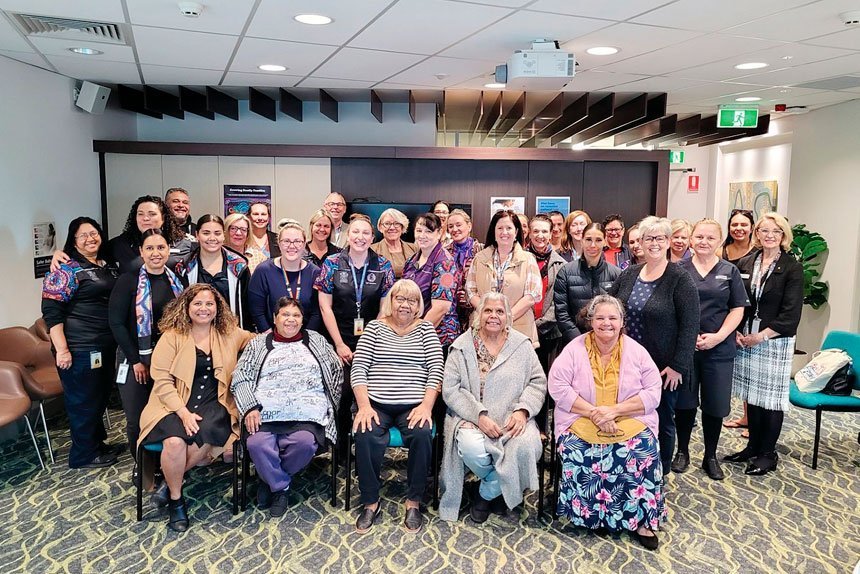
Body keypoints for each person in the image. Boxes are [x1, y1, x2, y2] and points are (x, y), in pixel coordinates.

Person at [548, 295, 665, 550]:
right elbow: (557, 386)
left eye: (613, 318)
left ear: (622, 321)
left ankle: (642, 522)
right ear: (590, 321)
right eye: (600, 318)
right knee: (578, 450)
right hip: (581, 417)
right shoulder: (574, 349)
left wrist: (613, 411)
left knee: (640, 450)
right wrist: (595, 414)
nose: (606, 323)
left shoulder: (637, 351)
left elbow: (653, 393)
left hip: (628, 418)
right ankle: (589, 516)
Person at [138, 284, 254, 531]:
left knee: (212, 433)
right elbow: (161, 380)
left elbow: (257, 339)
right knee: (175, 443)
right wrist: (182, 412)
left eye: (209, 304)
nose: (204, 309)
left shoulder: (228, 332)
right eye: (198, 304)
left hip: (215, 402)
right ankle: (177, 501)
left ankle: (167, 485)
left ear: (217, 307)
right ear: (186, 307)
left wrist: (288, 333)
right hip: (171, 403)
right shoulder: (172, 336)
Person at [439, 292, 546, 523]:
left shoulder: (522, 345)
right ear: (479, 314)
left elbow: (537, 382)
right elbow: (451, 389)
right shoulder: (462, 346)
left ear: (507, 316)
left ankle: (485, 493)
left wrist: (523, 410)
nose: (493, 316)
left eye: (499, 311)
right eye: (488, 310)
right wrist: (479, 416)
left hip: (512, 418)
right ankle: (502, 487)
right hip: (473, 417)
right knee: (470, 447)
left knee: (528, 446)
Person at [231, 297, 343, 517]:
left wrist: (330, 403)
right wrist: (250, 407)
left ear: (302, 320)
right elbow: (240, 377)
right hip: (265, 411)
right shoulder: (258, 343)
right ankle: (280, 486)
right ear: (275, 318)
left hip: (307, 412)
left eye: (296, 315)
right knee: (257, 444)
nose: (291, 320)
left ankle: (268, 479)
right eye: (285, 315)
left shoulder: (316, 340)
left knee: (304, 444)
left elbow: (336, 371)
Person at [607, 216, 699, 474]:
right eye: (649, 238)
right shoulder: (630, 274)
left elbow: (691, 325)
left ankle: (660, 470)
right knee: (628, 415)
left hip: (662, 368)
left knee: (660, 419)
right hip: (625, 363)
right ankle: (630, 467)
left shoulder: (680, 279)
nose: (654, 243)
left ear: (669, 242)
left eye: (660, 238)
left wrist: (678, 366)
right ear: (641, 243)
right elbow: (609, 304)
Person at [350, 280, 443, 534]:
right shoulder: (374, 329)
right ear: (390, 301)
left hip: (413, 405)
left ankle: (413, 501)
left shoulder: (426, 330)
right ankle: (370, 501)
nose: (405, 305)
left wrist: (426, 407)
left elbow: (436, 370)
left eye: (411, 300)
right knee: (365, 432)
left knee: (423, 433)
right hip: (376, 403)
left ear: (418, 306)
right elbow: (358, 369)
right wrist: (364, 406)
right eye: (399, 299)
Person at [724, 212, 803, 476]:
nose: (769, 235)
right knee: (752, 396)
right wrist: (736, 331)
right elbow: (737, 302)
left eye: (776, 231)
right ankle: (752, 447)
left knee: (770, 399)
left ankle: (768, 453)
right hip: (746, 338)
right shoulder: (748, 262)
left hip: (773, 341)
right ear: (757, 233)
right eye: (764, 230)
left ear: (783, 236)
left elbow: (791, 315)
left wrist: (761, 335)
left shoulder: (791, 267)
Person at [41, 217, 122, 468]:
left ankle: (95, 444)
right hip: (80, 346)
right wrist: (62, 349)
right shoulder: (66, 269)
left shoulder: (104, 264)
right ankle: (83, 455)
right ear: (73, 241)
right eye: (83, 235)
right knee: (83, 400)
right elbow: (51, 311)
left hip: (104, 344)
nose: (90, 238)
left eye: (94, 233)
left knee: (97, 397)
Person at [674, 219, 749, 480]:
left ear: (719, 241)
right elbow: (671, 306)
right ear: (691, 239)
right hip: (686, 348)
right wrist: (688, 335)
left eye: (710, 238)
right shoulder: (678, 269)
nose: (704, 242)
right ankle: (682, 451)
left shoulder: (729, 271)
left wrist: (718, 337)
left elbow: (737, 309)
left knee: (715, 405)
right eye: (699, 237)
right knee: (684, 402)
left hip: (719, 348)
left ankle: (710, 455)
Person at [314, 213, 395, 455]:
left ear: (372, 237)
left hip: (373, 339)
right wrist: (339, 344)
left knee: (369, 392)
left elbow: (385, 308)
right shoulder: (331, 263)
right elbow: (324, 306)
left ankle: (366, 447)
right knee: (342, 392)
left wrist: (369, 341)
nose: (360, 237)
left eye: (365, 233)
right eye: (355, 232)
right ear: (348, 235)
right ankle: (339, 451)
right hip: (339, 338)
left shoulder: (383, 265)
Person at [109, 229, 187, 477]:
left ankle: (167, 463)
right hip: (136, 358)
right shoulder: (128, 281)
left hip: (170, 358)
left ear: (168, 251)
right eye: (150, 248)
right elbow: (117, 324)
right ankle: (142, 466)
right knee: (137, 416)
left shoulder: (177, 281)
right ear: (141, 252)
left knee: (167, 412)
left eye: (161, 248)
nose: (156, 253)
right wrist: (135, 361)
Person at [51, 196, 192, 275]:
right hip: (133, 314)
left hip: (174, 311)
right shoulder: (121, 244)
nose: (145, 218)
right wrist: (61, 254)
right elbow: (89, 251)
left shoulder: (183, 243)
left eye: (152, 214)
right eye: (140, 214)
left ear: (164, 218)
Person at [466, 210, 541, 347]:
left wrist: (505, 317)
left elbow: (531, 295)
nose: (504, 232)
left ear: (516, 232)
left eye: (509, 228)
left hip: (518, 329)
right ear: (493, 232)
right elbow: (471, 292)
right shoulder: (480, 258)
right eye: (500, 228)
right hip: (483, 328)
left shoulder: (528, 259)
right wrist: (489, 316)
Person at [176, 214, 250, 329]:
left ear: (224, 235)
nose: (212, 238)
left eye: (217, 233)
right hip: (194, 334)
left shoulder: (239, 266)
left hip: (230, 334)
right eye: (206, 233)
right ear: (197, 235)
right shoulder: (185, 267)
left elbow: (246, 307)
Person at [248, 221, 322, 333]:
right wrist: (271, 336)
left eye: (297, 241)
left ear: (304, 244)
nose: (292, 246)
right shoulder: (263, 271)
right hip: (272, 337)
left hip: (306, 338)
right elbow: (256, 309)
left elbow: (317, 312)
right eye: (286, 241)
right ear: (278, 243)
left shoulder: (315, 273)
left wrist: (305, 338)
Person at [554, 223, 621, 345]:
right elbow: (562, 313)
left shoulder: (616, 274)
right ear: (582, 241)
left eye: (598, 240)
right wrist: (580, 341)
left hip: (607, 342)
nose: (593, 245)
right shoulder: (565, 272)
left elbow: (620, 313)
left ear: (605, 242)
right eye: (588, 239)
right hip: (574, 342)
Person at [721, 210, 756, 434]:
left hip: (751, 315)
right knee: (740, 372)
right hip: (725, 314)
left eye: (744, 225)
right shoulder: (722, 251)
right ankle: (745, 417)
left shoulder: (758, 253)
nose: (739, 229)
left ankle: (752, 418)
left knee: (752, 372)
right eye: (734, 224)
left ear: (751, 227)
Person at [402, 213, 459, 350]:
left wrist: (414, 337)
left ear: (439, 233)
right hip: (413, 332)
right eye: (419, 231)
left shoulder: (445, 262)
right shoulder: (411, 260)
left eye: (428, 231)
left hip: (438, 338)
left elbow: (441, 308)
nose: (422, 235)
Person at [527, 214, 566, 375]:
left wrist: (538, 325)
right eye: (535, 231)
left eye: (544, 231)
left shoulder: (562, 265)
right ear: (529, 234)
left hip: (550, 335)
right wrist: (527, 326)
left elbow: (559, 301)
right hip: (523, 332)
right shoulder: (519, 260)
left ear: (551, 234)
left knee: (548, 381)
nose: (540, 236)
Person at [445, 209, 483, 333]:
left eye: (458, 225)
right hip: (450, 313)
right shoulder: (443, 253)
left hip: (476, 312)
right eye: (451, 226)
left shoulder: (483, 251)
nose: (454, 229)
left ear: (469, 226)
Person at [371, 208, 417, 279]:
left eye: (396, 224)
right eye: (387, 224)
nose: (392, 227)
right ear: (380, 227)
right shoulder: (372, 250)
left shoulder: (415, 249)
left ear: (402, 227)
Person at [246, 202, 280, 272]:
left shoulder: (278, 239)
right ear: (248, 217)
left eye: (263, 214)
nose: (260, 218)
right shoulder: (243, 239)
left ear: (269, 217)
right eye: (256, 214)